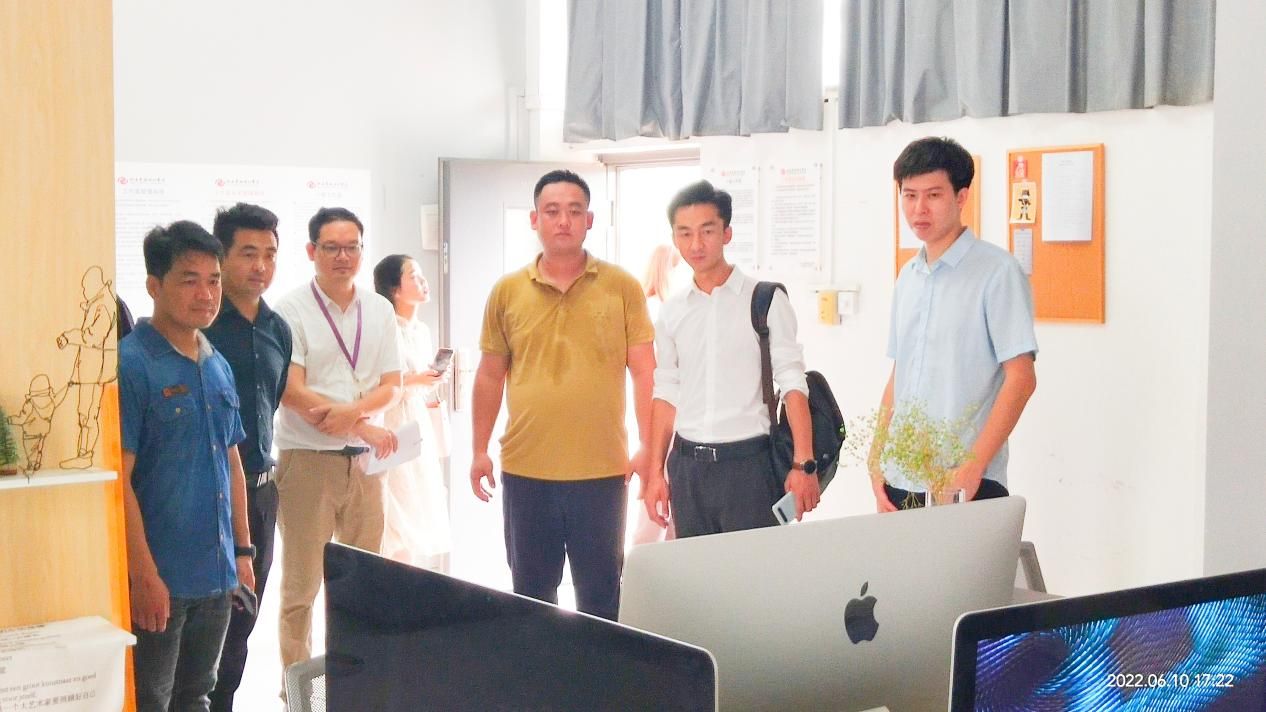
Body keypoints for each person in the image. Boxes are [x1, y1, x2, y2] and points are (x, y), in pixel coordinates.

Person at [470, 169, 655, 621]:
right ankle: (540, 671)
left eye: (575, 211)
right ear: (534, 219)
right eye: (552, 211)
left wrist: (649, 447)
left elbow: (645, 372)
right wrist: (478, 450)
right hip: (526, 471)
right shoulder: (507, 291)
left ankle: (597, 672)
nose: (563, 221)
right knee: (531, 598)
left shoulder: (622, 287)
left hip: (601, 472)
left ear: (590, 220)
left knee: (601, 599)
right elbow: (490, 376)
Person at [118, 220, 254, 711]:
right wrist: (142, 575)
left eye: (214, 280)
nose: (206, 294)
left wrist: (243, 551)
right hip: (161, 577)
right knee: (150, 700)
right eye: (189, 280)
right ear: (154, 286)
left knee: (198, 695)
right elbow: (119, 482)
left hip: (216, 574)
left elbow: (232, 461)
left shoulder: (216, 362)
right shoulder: (131, 364)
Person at [641, 180, 820, 539]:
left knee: (752, 571)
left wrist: (804, 464)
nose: (696, 244)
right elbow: (666, 392)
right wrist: (655, 473)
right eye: (685, 233)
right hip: (688, 468)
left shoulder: (764, 299)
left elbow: (792, 381)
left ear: (727, 233)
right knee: (696, 573)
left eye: (707, 231)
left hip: (748, 468)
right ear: (674, 238)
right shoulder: (672, 311)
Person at [871, 137, 1038, 512]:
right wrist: (876, 459)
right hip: (899, 481)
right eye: (909, 195)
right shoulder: (908, 276)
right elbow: (899, 374)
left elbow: (1021, 378)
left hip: (964, 481)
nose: (919, 209)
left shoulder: (997, 272)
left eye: (933, 195)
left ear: (961, 197)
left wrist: (972, 468)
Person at [273, 207, 402, 675]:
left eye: (352, 247)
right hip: (309, 460)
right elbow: (292, 391)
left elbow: (392, 385)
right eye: (331, 247)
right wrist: (361, 424)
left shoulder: (379, 309)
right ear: (312, 251)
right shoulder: (290, 309)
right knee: (302, 587)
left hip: (368, 464)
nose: (343, 257)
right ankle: (299, 691)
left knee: (364, 583)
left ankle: (356, 683)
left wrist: (355, 417)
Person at [204, 203, 293, 712]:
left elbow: (271, 404)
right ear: (222, 255)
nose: (261, 265)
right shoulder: (202, 329)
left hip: (261, 492)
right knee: (204, 629)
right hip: (208, 496)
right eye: (248, 253)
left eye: (270, 254)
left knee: (242, 624)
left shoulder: (278, 329)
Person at [372, 253, 453, 570]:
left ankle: (407, 578)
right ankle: (393, 577)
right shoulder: (384, 328)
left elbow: (421, 384)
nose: (423, 282)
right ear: (395, 289)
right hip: (392, 420)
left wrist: (430, 380)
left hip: (417, 421)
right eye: (413, 276)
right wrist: (418, 379)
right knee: (396, 507)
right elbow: (377, 380)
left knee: (417, 502)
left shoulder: (421, 330)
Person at [629, 243, 682, 546]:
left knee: (653, 508)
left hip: (654, 416)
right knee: (659, 506)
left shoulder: (647, 308)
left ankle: (640, 565)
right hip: (667, 416)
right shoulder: (665, 311)